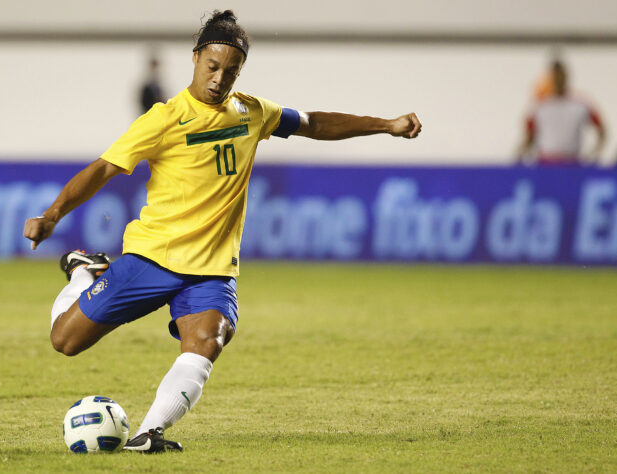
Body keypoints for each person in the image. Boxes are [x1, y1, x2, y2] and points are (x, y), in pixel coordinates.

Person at [23, 10, 421, 453]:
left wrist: (386, 125)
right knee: (65, 341)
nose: (219, 79)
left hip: (213, 268)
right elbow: (103, 169)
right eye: (212, 67)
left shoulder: (252, 113)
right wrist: (54, 214)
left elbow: (315, 123)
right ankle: (83, 271)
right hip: (154, 257)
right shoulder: (165, 118)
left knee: (207, 341)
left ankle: (149, 433)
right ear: (195, 58)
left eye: (230, 71)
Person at [518, 60, 606, 165]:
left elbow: (601, 130)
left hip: (572, 161)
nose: (558, 79)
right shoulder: (540, 105)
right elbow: (529, 136)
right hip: (546, 161)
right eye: (555, 76)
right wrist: (520, 153)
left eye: (560, 75)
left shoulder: (581, 104)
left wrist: (594, 153)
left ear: (566, 77)